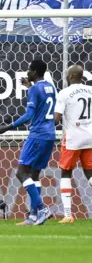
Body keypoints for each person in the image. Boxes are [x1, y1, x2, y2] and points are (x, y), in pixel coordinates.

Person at [0, 60, 56, 226]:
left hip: (37, 135)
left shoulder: (35, 89)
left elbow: (29, 115)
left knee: (21, 173)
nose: (27, 71)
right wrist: (30, 86)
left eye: (29, 69)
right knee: (34, 175)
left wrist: (8, 126)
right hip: (50, 135)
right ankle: (34, 217)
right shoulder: (51, 87)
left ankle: (42, 209)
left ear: (34, 72)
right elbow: (44, 103)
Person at [56, 65, 92, 224]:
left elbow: (56, 119)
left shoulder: (64, 93)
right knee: (90, 173)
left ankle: (68, 215)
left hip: (72, 139)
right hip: (90, 137)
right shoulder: (91, 91)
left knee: (65, 172)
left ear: (70, 76)